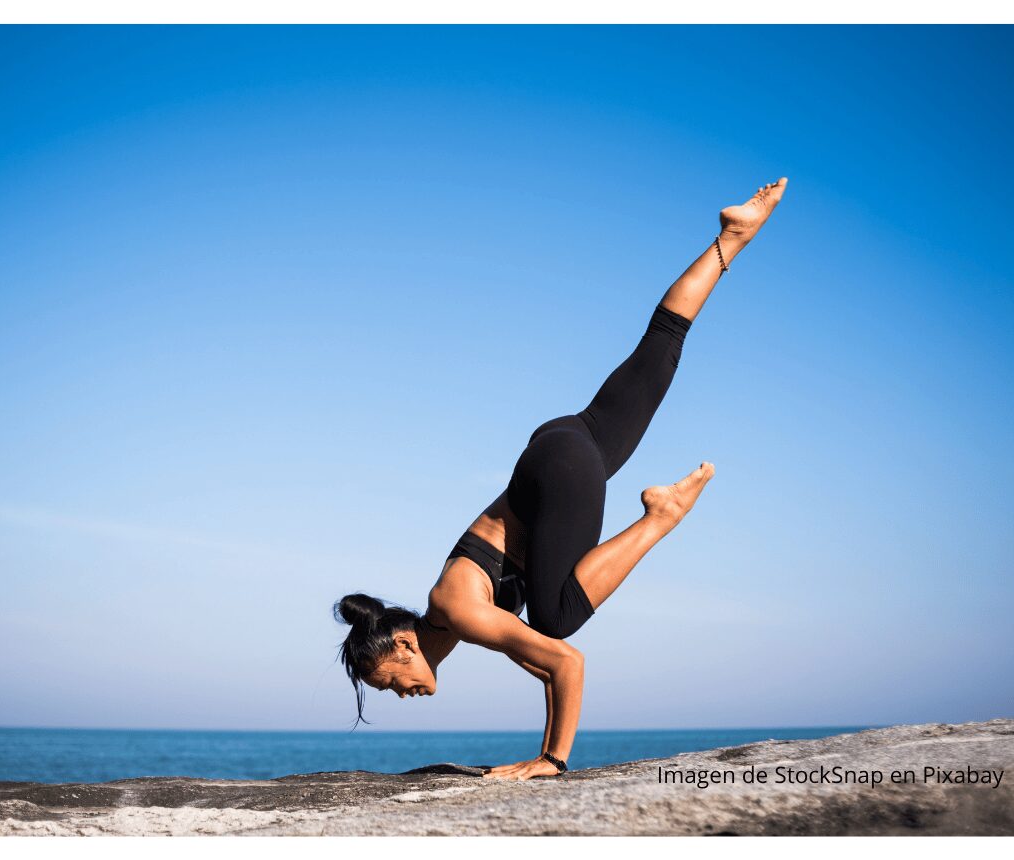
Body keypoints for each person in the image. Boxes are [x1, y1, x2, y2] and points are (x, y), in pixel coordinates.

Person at [334, 178, 789, 781]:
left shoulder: (457, 610)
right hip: (562, 447)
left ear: (403, 646)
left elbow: (564, 661)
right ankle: (733, 236)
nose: (400, 694)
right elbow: (536, 664)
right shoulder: (447, 621)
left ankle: (660, 516)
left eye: (390, 682)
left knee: (555, 619)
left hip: (561, 474)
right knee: (659, 349)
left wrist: (550, 759)